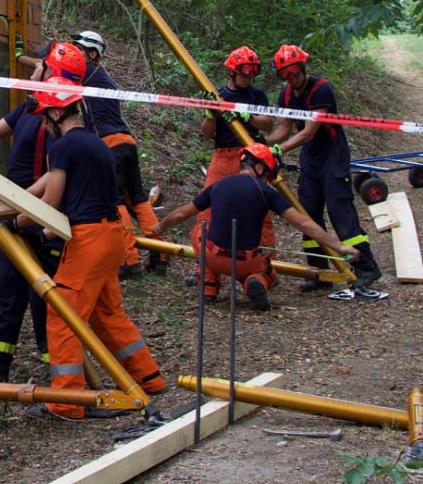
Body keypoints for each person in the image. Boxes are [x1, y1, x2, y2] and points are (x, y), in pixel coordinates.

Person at [18, 85, 166, 419]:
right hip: (113, 234)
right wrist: (20, 199)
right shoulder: (96, 143)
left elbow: (50, 200)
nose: (44, 126)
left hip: (88, 241)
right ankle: (149, 378)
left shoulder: (63, 146)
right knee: (106, 312)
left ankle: (67, 402)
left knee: (63, 315)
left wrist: (17, 221)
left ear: (57, 113)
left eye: (44, 119)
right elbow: (60, 187)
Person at [0, 44, 87, 381]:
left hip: (41, 221)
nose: (32, 73)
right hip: (16, 214)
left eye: (38, 67)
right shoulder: (30, 107)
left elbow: (54, 179)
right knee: (6, 288)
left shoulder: (58, 124)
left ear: (53, 74)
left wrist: (34, 222)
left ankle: (60, 371)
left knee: (46, 298)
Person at [155, 144, 358, 312]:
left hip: (213, 256)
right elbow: (304, 223)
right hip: (245, 262)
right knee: (265, 270)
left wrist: (160, 226)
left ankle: (209, 287)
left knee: (200, 232)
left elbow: (182, 214)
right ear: (260, 168)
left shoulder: (218, 185)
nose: (267, 179)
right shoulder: (266, 192)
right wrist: (338, 247)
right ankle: (256, 281)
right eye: (267, 175)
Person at [267, 44, 384, 292]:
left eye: (294, 72)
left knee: (339, 207)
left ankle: (366, 266)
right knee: (308, 210)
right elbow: (283, 130)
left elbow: (308, 132)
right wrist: (261, 143)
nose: (291, 79)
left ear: (302, 68)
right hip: (310, 155)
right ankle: (318, 270)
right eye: (285, 75)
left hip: (333, 152)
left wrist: (278, 151)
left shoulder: (320, 90)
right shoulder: (285, 95)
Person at [71, 30, 164, 277]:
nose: (74, 55)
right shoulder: (101, 76)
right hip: (125, 142)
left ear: (92, 54)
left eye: (79, 50)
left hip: (109, 143)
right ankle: (160, 255)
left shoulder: (87, 71)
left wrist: (23, 57)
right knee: (138, 200)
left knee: (116, 201)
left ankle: (128, 260)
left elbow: (55, 71)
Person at [196, 46, 276, 250]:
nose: (249, 78)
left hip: (251, 157)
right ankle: (206, 260)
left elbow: (268, 124)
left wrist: (248, 117)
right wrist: (210, 114)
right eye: (244, 74)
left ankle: (264, 261)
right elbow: (208, 133)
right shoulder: (219, 97)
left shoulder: (257, 96)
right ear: (232, 72)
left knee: (259, 206)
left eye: (252, 74)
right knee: (207, 207)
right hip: (223, 156)